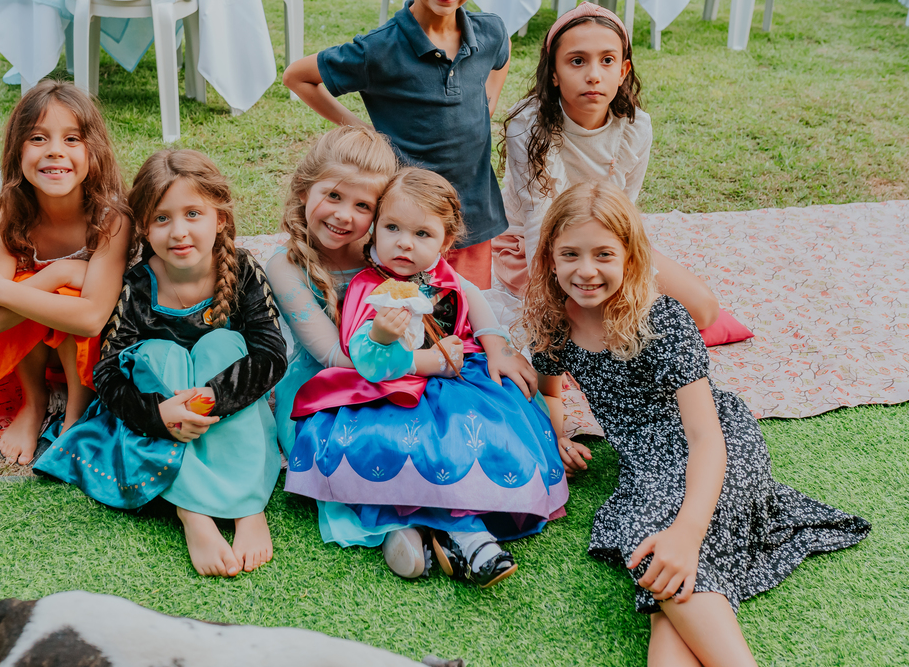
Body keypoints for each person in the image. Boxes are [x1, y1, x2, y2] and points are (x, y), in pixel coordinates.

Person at [519, 181, 870, 667]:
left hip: (716, 445)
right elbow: (551, 391)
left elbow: (707, 436)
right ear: (550, 259)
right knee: (660, 562)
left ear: (631, 257)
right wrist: (557, 435)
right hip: (647, 465)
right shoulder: (554, 321)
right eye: (570, 254)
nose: (586, 270)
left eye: (604, 254)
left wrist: (688, 531)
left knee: (661, 546)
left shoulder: (661, 319)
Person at [287, 168, 567, 589]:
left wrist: (495, 344)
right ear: (374, 230)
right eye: (393, 228)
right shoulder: (369, 287)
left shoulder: (443, 276)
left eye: (422, 234)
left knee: (483, 429)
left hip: (458, 377)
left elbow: (473, 300)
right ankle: (464, 536)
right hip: (390, 387)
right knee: (400, 442)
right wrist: (387, 339)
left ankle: (436, 532)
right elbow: (365, 360)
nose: (405, 243)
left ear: (445, 242)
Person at [35, 150, 287, 578]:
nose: (179, 231)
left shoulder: (243, 270)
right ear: (144, 228)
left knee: (224, 344)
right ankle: (193, 513)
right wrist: (159, 413)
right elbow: (107, 373)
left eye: (193, 214)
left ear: (220, 218)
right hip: (166, 410)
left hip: (225, 405)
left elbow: (271, 355)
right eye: (162, 218)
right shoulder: (137, 286)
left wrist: (213, 396)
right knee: (156, 354)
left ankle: (248, 508)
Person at [282, 0, 510, 289]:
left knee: (471, 307)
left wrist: (487, 102)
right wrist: (364, 132)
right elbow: (297, 77)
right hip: (405, 224)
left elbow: (500, 57)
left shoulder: (490, 31)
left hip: (475, 214)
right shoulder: (378, 50)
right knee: (406, 308)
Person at [493, 2, 719, 329]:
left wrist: (626, 269)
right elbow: (538, 219)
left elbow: (623, 210)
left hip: (605, 243)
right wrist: (546, 294)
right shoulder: (528, 125)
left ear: (623, 70)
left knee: (702, 310)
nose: (594, 75)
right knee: (578, 322)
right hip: (542, 247)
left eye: (607, 60)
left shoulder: (635, 127)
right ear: (554, 72)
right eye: (577, 61)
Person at [0, 81, 131, 466]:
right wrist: (57, 275)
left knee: (59, 298)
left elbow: (92, 318)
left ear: (94, 152)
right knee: (38, 290)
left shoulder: (111, 218)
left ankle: (77, 410)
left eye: (72, 139)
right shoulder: (8, 214)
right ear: (18, 151)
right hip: (32, 354)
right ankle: (34, 401)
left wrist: (22, 286)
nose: (55, 150)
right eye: (38, 138)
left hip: (94, 351)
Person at [265, 125, 399, 459]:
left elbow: (457, 285)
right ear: (303, 189)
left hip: (392, 371)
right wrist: (420, 363)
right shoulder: (286, 266)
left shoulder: (383, 247)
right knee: (347, 451)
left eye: (362, 205)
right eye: (333, 196)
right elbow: (331, 356)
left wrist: (494, 339)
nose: (343, 215)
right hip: (320, 382)